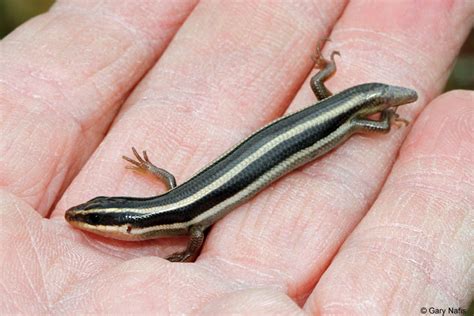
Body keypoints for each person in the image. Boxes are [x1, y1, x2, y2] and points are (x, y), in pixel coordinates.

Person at [0, 1, 472, 314]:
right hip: (289, 136)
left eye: (94, 216)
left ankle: (380, 117)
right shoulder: (180, 209)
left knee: (353, 124)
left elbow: (192, 232)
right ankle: (340, 84)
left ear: (129, 227)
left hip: (320, 126)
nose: (86, 218)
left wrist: (185, 257)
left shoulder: (185, 219)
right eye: (94, 216)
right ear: (129, 226)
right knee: (329, 103)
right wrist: (165, 206)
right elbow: (177, 196)